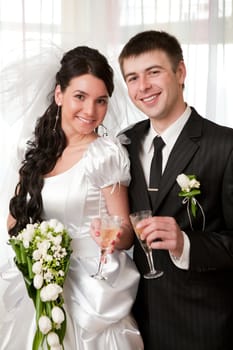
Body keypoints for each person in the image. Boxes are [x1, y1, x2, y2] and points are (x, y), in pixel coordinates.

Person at [0, 45, 144, 349]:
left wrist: (113, 236)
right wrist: (32, 243)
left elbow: (128, 234)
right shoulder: (34, 150)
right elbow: (15, 220)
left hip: (91, 287)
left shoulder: (105, 154)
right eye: (80, 96)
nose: (90, 111)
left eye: (100, 101)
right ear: (59, 95)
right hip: (41, 279)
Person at [118, 30, 233, 350]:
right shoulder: (122, 146)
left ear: (180, 72)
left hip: (204, 328)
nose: (143, 87)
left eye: (153, 72)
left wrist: (186, 243)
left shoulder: (225, 146)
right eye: (132, 78)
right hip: (136, 324)